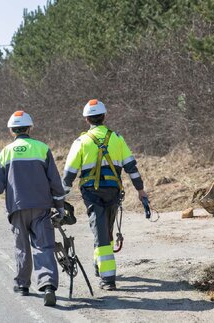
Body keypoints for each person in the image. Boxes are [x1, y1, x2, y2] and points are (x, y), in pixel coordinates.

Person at [0, 110, 65, 307]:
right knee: (44, 246)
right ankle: (48, 286)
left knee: (22, 247)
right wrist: (60, 206)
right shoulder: (42, 149)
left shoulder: (6, 152)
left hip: (17, 209)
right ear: (30, 128)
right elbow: (55, 181)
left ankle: (23, 286)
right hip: (42, 208)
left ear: (11, 131)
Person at [62, 99, 147, 291]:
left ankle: (108, 279)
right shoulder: (117, 138)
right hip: (113, 193)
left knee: (101, 233)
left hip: (92, 194)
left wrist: (60, 197)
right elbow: (131, 168)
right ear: (104, 116)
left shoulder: (81, 142)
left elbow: (69, 175)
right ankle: (98, 266)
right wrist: (140, 190)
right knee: (104, 230)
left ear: (86, 119)